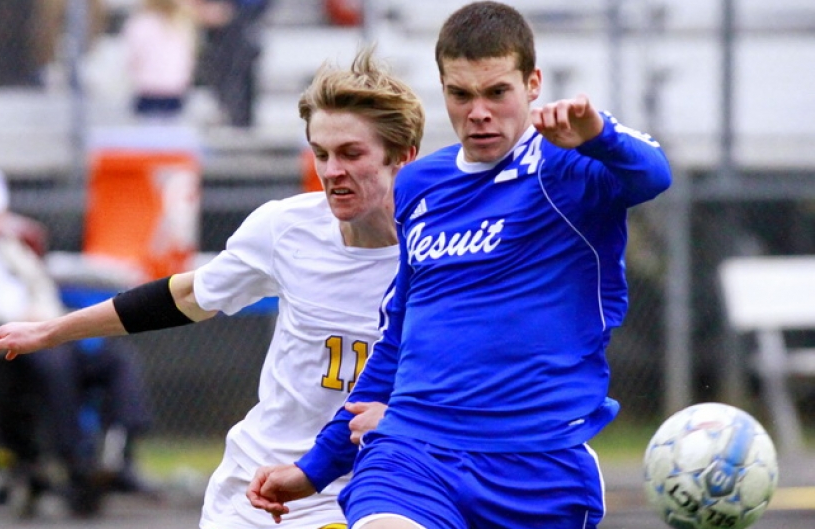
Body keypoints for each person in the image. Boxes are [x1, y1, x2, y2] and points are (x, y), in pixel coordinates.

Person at [245, 3, 673, 529]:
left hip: (537, 468)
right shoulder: (421, 185)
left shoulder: (568, 165)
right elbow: (398, 339)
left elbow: (653, 176)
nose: (479, 111)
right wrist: (315, 468)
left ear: (532, 83)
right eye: (460, 94)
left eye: (497, 92)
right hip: (411, 454)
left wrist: (598, 134)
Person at [0, 47, 425, 529]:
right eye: (322, 154)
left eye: (352, 154)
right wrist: (51, 332)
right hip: (262, 485)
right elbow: (185, 297)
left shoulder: (449, 254)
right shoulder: (286, 227)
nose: (332, 171)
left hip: (377, 485)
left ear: (403, 157)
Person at [0, 165, 152, 516]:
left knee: (113, 358)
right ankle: (74, 458)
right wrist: (14, 324)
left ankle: (120, 447)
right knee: (54, 363)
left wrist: (42, 321)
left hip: (43, 331)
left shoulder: (12, 249)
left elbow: (43, 291)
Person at [194, 0, 272, 127]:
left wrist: (230, 10)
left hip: (239, 22)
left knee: (237, 62)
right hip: (208, 22)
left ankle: (237, 117)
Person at [122, 0, 198, 119]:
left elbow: (133, 58)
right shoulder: (182, 23)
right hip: (173, 90)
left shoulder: (141, 22)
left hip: (149, 90)